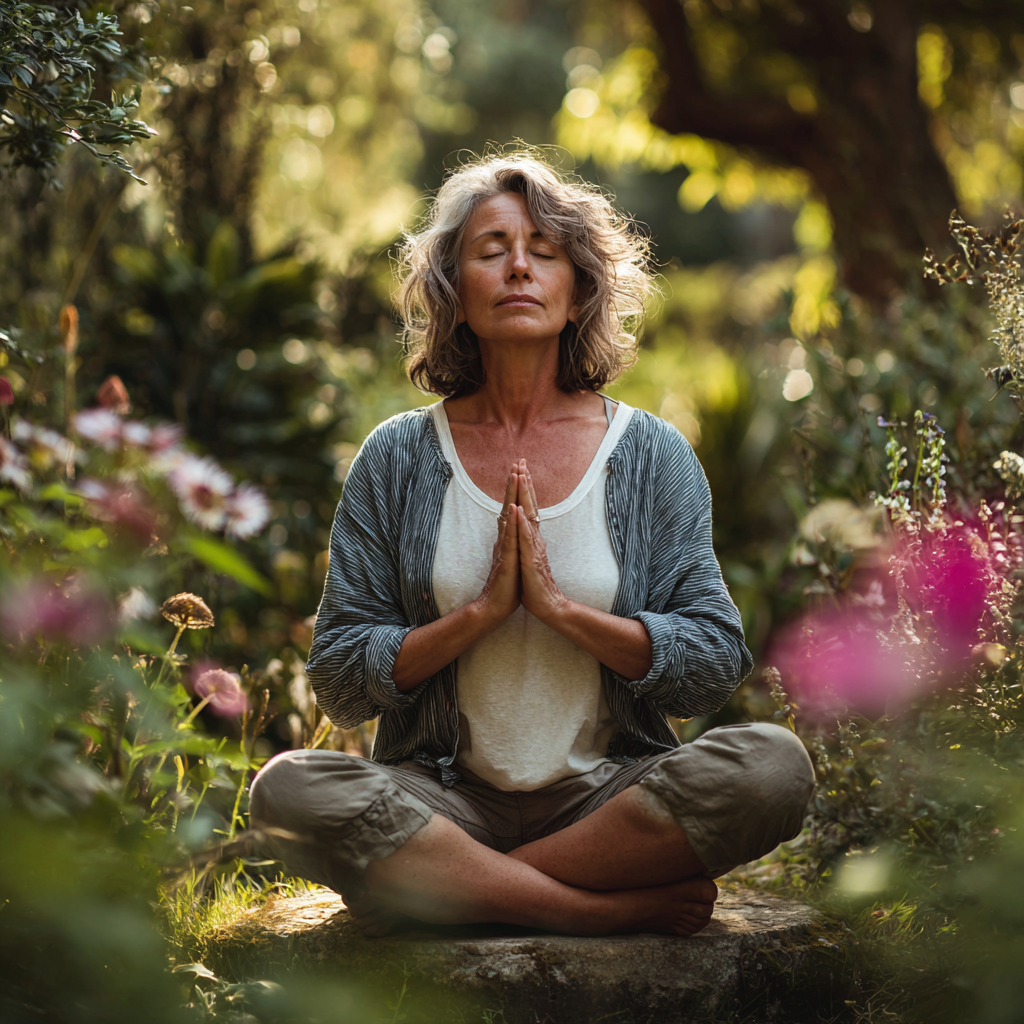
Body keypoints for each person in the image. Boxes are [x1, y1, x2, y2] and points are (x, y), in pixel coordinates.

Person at [250, 151, 814, 938]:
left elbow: (711, 665)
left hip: (607, 802)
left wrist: (558, 610)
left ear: (579, 286)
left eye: (544, 252)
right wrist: (478, 614)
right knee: (285, 792)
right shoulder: (397, 457)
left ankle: (446, 889)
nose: (519, 267)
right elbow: (341, 680)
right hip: (443, 802)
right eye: (491, 251)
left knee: (774, 768)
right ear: (455, 289)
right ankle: (595, 907)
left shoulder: (651, 456)